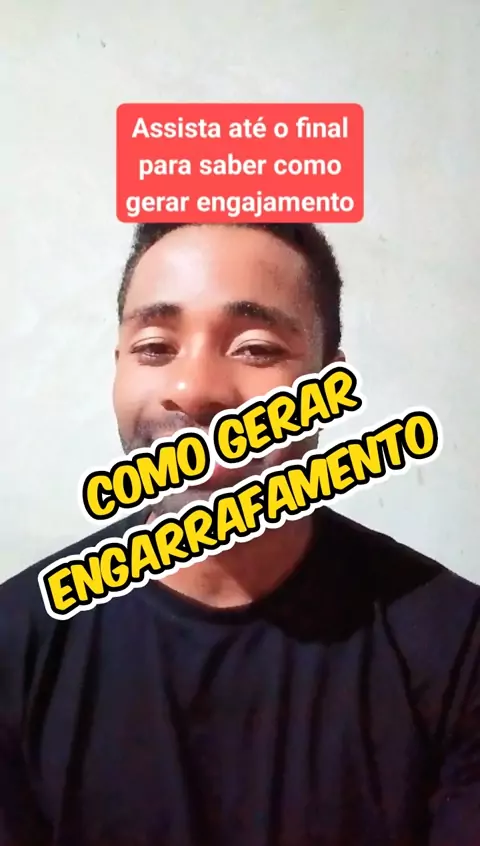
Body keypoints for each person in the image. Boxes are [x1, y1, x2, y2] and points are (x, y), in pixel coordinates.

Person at [0, 223, 479, 846]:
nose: (195, 391)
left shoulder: (456, 648)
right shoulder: (17, 647)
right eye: (155, 347)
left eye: (255, 349)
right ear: (118, 368)